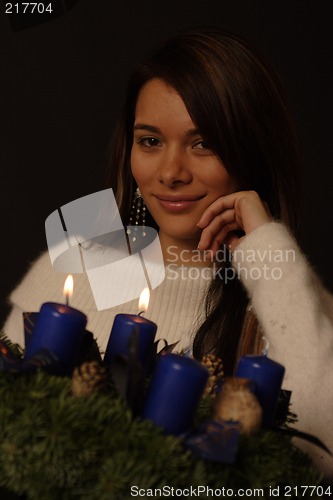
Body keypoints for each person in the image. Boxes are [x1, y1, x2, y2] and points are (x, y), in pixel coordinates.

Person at [2, 26, 333, 480]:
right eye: (151, 141)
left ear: (252, 152)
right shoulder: (72, 268)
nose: (171, 172)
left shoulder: (291, 299)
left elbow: (323, 456)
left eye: (204, 143)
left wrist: (268, 251)